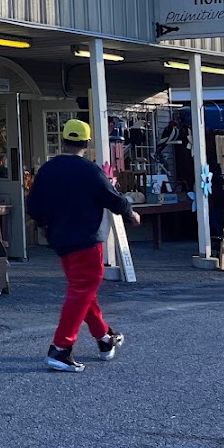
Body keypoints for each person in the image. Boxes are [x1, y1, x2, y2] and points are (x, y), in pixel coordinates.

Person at [26, 118, 141, 373]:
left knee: (82, 290)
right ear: (86, 143)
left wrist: (45, 224)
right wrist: (130, 213)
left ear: (63, 140)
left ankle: (104, 338)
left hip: (59, 239)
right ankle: (61, 348)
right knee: (82, 290)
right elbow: (112, 198)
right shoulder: (90, 171)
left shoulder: (48, 169)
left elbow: (32, 205)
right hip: (86, 240)